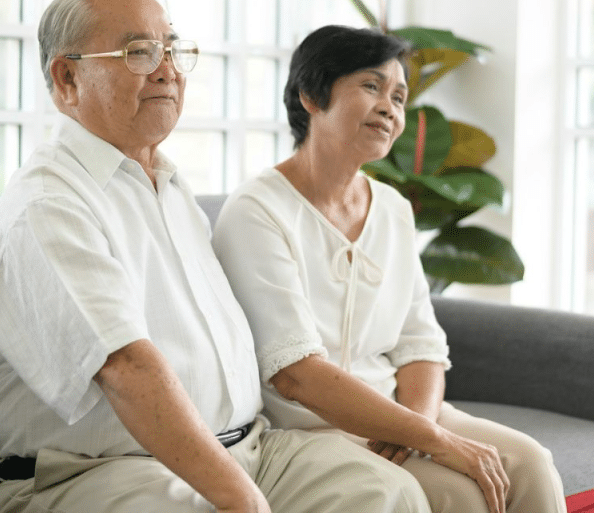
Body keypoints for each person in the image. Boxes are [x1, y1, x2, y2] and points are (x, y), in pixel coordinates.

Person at [0, 0, 432, 513]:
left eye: (170, 49)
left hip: (249, 451)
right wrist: (243, 500)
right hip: (104, 475)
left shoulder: (167, 186)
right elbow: (125, 368)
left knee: (385, 492)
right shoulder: (47, 205)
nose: (166, 68)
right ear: (67, 77)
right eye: (139, 52)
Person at [212, 25, 568, 513]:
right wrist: (427, 438)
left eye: (399, 97)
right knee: (465, 494)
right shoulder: (257, 210)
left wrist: (423, 431)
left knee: (531, 464)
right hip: (310, 428)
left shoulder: (394, 209)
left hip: (403, 415)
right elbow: (296, 376)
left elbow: (419, 345)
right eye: (371, 86)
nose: (390, 108)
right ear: (312, 97)